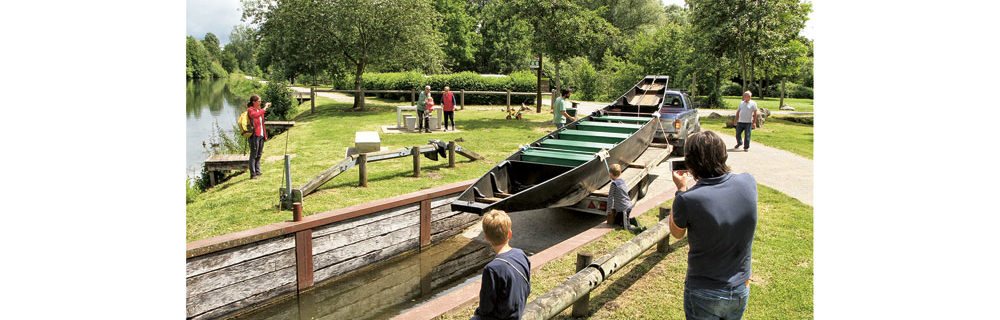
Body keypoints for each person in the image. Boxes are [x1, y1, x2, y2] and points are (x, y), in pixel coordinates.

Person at [669, 131, 758, 320]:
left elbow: (677, 233)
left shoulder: (687, 199)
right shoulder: (749, 182)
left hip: (703, 291)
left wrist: (681, 189)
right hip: (740, 287)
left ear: (690, 163)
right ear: (723, 154)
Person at [472, 210, 531, 320]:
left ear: (486, 237)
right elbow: (527, 289)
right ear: (509, 234)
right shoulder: (521, 254)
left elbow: (486, 308)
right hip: (517, 313)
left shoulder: (491, 269)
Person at [607, 163, 645, 233]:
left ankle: (641, 229)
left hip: (624, 209)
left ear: (611, 174)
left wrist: (609, 209)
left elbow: (610, 197)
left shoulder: (614, 184)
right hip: (626, 205)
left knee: (627, 228)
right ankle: (630, 220)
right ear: (620, 173)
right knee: (617, 222)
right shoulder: (622, 181)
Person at [246, 94, 271, 179]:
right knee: (253, 154)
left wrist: (264, 135)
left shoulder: (259, 109)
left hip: (261, 134)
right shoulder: (251, 110)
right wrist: (265, 108)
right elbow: (255, 115)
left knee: (259, 154)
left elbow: (261, 118)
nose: (260, 102)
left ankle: (258, 171)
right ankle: (253, 174)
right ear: (254, 102)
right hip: (254, 135)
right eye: (259, 101)